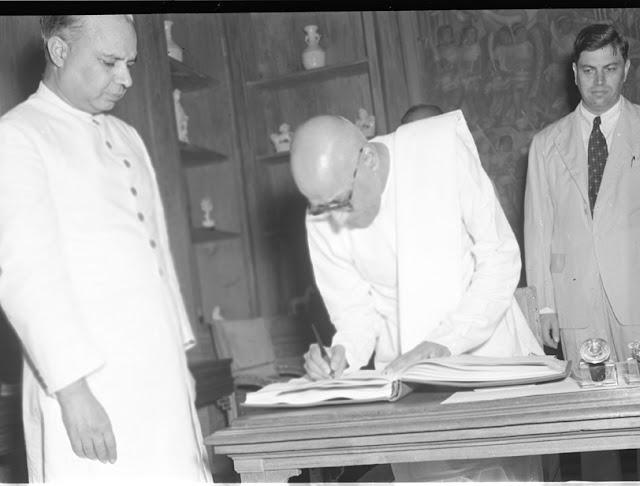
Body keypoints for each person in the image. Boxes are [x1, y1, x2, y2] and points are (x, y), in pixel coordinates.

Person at [0, 15, 211, 481]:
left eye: (130, 63)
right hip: (88, 387)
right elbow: (25, 275)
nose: (127, 78)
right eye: (109, 62)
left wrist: (181, 365)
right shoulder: (18, 136)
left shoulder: (127, 137)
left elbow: (159, 261)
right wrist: (73, 392)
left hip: (158, 375)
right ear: (58, 51)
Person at [290, 113, 543, 481]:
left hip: (486, 357)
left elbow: (499, 257)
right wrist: (342, 353)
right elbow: (356, 315)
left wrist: (445, 341)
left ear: (369, 160)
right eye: (321, 208)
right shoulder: (325, 207)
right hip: (408, 386)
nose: (335, 222)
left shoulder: (437, 151)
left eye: (341, 202)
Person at [524, 23, 640, 480]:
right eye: (589, 70)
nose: (599, 81)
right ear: (574, 73)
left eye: (609, 69)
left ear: (625, 69)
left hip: (635, 294)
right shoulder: (546, 144)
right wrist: (544, 304)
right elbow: (538, 228)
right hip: (574, 302)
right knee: (591, 426)